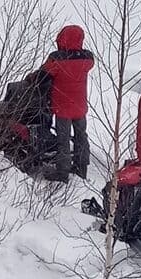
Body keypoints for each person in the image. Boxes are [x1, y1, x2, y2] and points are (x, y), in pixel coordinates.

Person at [43, 23, 94, 181]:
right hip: (79, 106)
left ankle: (62, 172)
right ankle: (81, 166)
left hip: (62, 107)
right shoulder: (87, 58)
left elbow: (45, 73)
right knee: (81, 136)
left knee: (63, 140)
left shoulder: (57, 59)